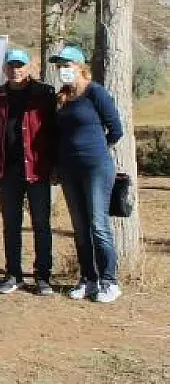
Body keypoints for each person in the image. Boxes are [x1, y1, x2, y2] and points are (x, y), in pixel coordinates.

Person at [51, 46, 124, 303]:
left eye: (66, 64)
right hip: (69, 170)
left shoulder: (96, 93)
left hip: (96, 168)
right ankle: (88, 279)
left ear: (80, 67)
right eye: (59, 66)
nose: (62, 70)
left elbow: (116, 129)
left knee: (98, 225)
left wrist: (95, 149)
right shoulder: (61, 98)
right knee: (80, 227)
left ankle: (109, 281)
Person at [0, 48, 57, 296]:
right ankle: (13, 274)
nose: (16, 70)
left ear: (28, 68)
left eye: (20, 65)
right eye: (11, 65)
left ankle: (43, 276)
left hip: (36, 168)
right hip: (7, 170)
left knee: (40, 224)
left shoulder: (44, 93)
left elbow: (52, 131)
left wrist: (54, 165)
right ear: (5, 68)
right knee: (11, 225)